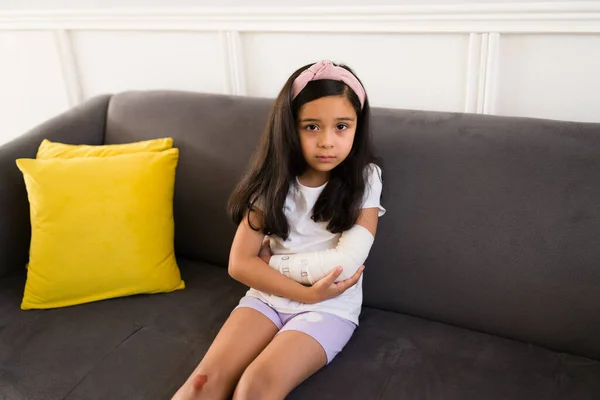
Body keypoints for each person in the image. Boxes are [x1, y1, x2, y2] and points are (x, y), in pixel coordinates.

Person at [172, 60, 385, 400]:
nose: (327, 141)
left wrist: (270, 265)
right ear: (289, 127)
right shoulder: (271, 182)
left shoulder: (366, 179)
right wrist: (302, 290)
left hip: (328, 307)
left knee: (254, 386)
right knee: (202, 383)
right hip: (267, 298)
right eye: (312, 127)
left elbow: (344, 264)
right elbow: (239, 264)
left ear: (358, 127)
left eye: (342, 126)